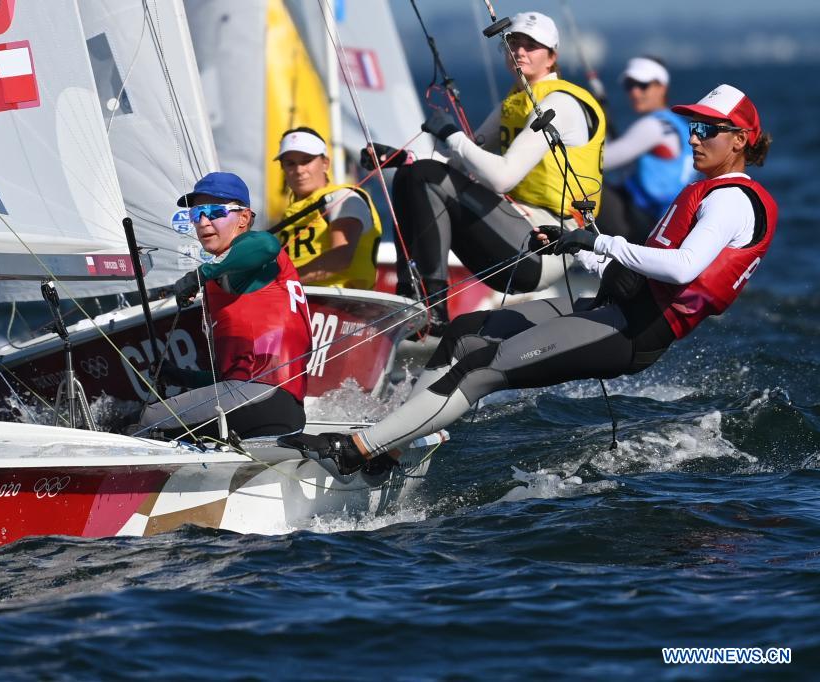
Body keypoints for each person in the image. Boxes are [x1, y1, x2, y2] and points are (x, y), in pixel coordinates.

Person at [282, 84, 776, 475]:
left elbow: (683, 268)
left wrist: (598, 243)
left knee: (480, 368)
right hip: (613, 305)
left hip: (635, 329)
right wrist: (574, 246)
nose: (694, 137)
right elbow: (642, 265)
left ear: (740, 140)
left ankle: (357, 450)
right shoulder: (710, 190)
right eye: (692, 126)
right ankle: (389, 449)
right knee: (465, 333)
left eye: (708, 130)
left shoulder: (730, 200)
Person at [388, 11, 606, 331]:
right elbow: (459, 160)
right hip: (513, 232)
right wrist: (402, 157)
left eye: (531, 45)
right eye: (513, 43)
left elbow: (501, 177)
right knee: (410, 175)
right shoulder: (515, 102)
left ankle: (434, 313)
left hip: (546, 246)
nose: (520, 51)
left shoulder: (560, 104)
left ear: (552, 57)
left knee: (424, 176)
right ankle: (411, 298)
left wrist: (452, 134)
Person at [136, 172, 313, 440]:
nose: (203, 222)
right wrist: (181, 377)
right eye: (196, 214)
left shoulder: (252, 254)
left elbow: (267, 244)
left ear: (244, 218)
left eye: (214, 212)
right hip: (273, 408)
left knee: (146, 421)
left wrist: (199, 275)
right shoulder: (226, 273)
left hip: (263, 398)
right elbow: (230, 380)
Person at [272, 127, 383, 289]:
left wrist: (279, 282)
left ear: (325, 163)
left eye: (306, 161)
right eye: (290, 163)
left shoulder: (343, 197)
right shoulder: (288, 215)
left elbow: (341, 258)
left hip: (339, 300)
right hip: (296, 297)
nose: (299, 170)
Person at [599, 56, 695, 242]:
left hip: (643, 222)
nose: (635, 92)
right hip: (666, 226)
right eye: (630, 85)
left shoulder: (653, 126)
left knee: (579, 184)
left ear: (662, 87)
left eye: (643, 85)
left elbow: (599, 161)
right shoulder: (680, 126)